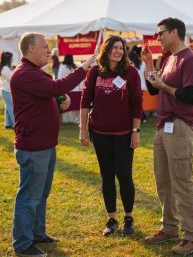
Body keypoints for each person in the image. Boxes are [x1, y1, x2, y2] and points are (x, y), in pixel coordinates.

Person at [11, 32, 96, 257]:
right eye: (45, 47)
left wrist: (61, 101)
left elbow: (52, 94)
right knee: (29, 196)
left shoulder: (35, 73)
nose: (49, 51)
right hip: (34, 147)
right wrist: (82, 70)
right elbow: (55, 88)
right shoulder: (25, 74)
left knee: (41, 194)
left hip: (45, 145)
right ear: (30, 49)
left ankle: (37, 233)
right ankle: (22, 244)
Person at [142, 18, 193, 255]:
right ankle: (169, 228)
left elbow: (189, 96)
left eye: (161, 34)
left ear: (175, 32)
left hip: (179, 126)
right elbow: (153, 89)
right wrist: (148, 64)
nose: (158, 38)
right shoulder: (167, 58)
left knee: (182, 182)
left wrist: (165, 87)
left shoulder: (191, 60)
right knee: (164, 182)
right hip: (162, 127)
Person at [79, 35, 143, 237]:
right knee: (107, 175)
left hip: (124, 134)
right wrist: (83, 128)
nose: (118, 51)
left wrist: (135, 132)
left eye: (121, 48)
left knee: (124, 174)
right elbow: (85, 100)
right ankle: (112, 219)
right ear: (106, 50)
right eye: (114, 47)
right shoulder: (95, 72)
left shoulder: (131, 73)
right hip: (100, 133)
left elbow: (137, 104)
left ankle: (129, 218)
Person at [58, 54, 81, 123]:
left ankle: (67, 120)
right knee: (76, 107)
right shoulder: (75, 66)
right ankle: (75, 120)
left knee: (68, 107)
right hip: (76, 90)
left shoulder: (62, 67)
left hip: (67, 89)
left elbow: (60, 78)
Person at [128, 46, 147, 122]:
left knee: (136, 103)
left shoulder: (131, 68)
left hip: (137, 86)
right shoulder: (142, 64)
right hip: (142, 86)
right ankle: (142, 117)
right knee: (137, 103)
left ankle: (142, 117)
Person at [0, 51, 15, 129]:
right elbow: (12, 78)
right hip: (6, 91)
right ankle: (16, 124)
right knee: (11, 108)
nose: (12, 59)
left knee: (8, 108)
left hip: (7, 90)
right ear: (8, 59)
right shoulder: (5, 68)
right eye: (11, 58)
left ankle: (8, 124)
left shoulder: (7, 67)